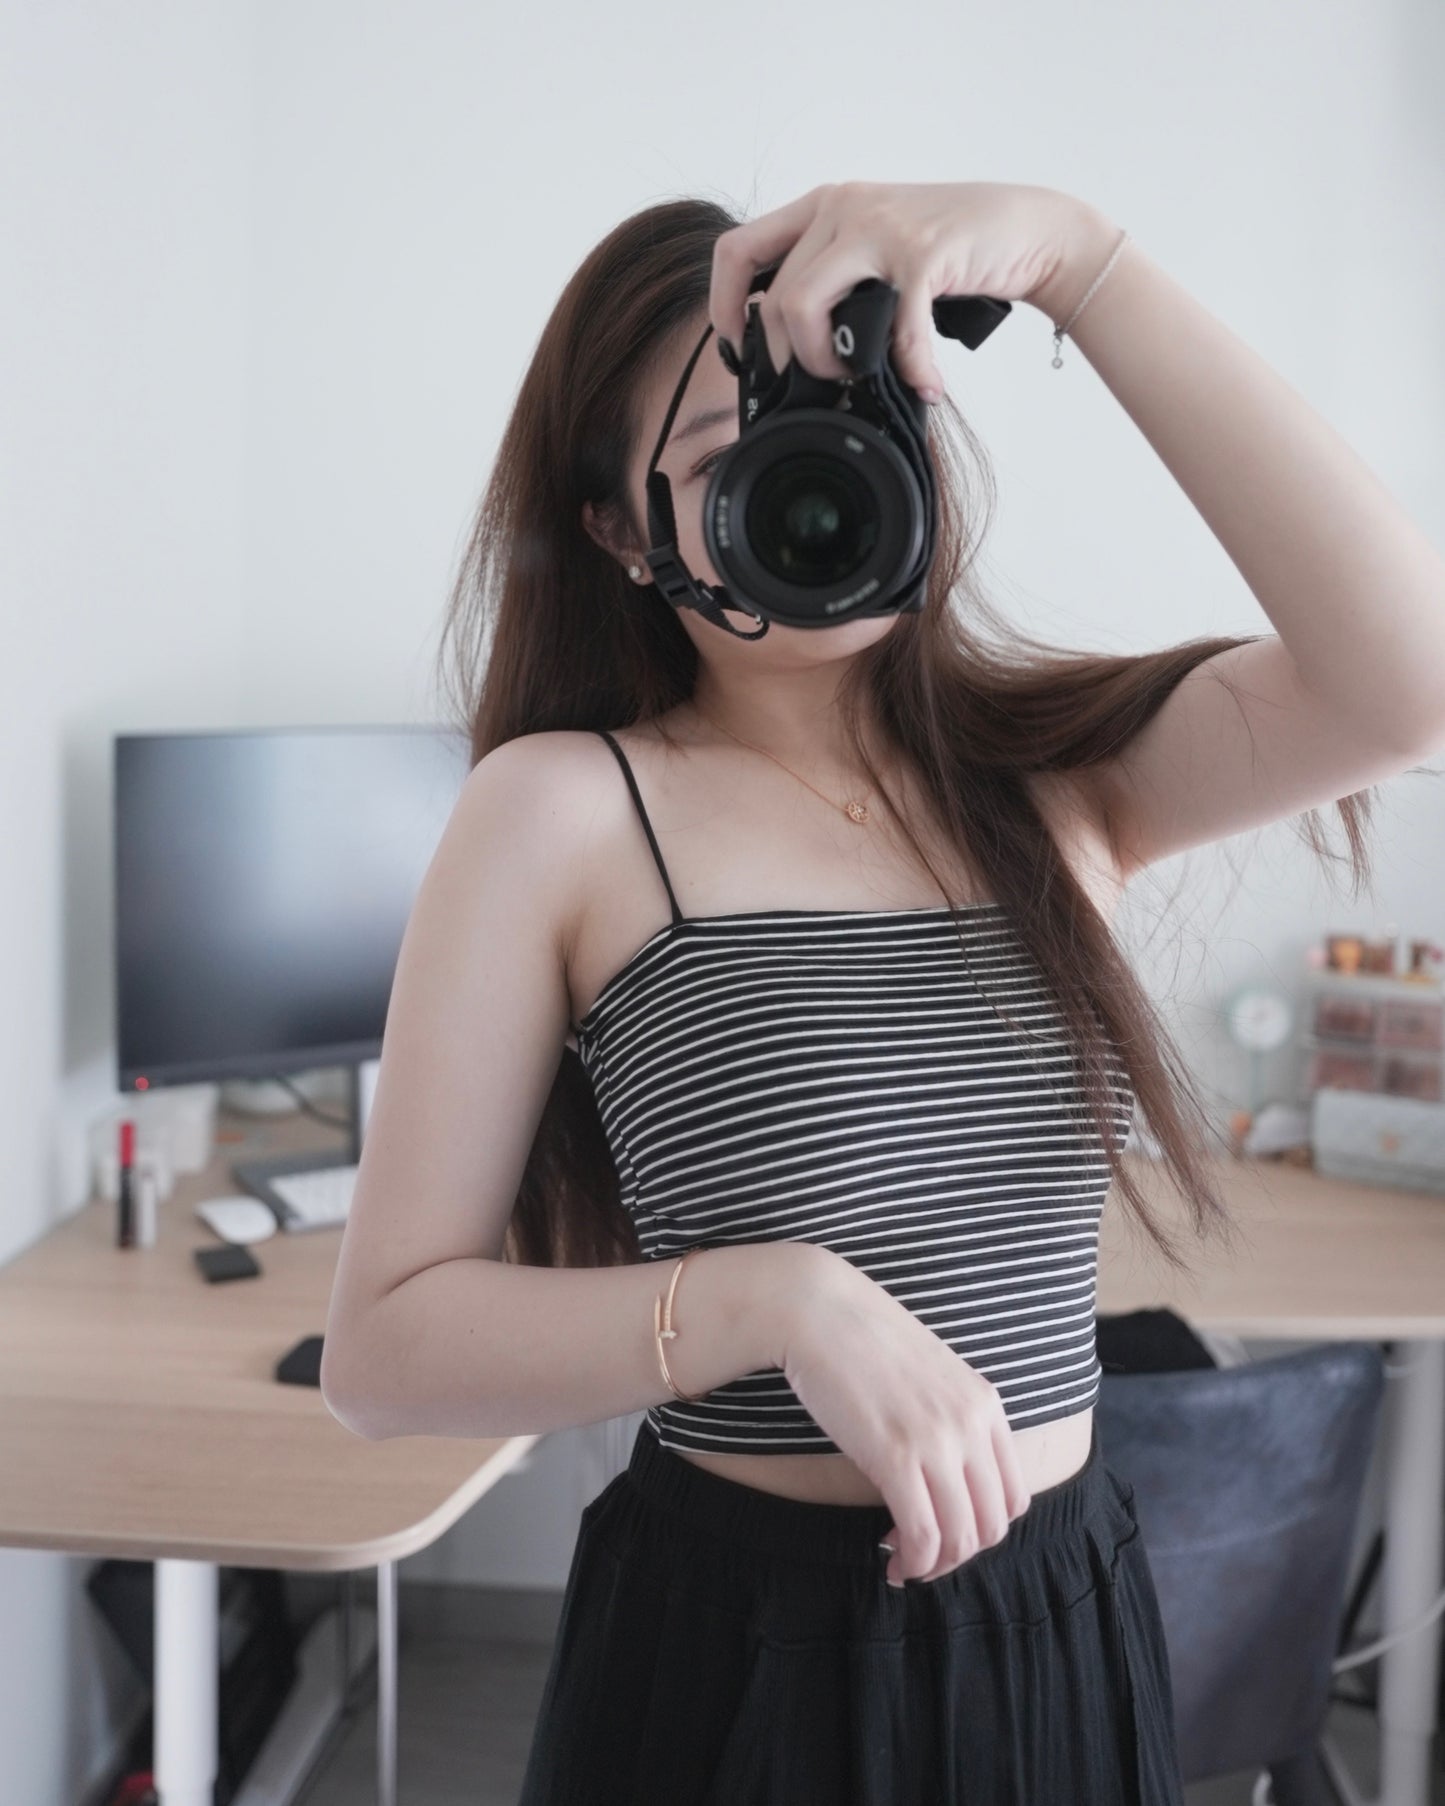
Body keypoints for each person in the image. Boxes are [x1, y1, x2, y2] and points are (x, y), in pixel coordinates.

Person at [320, 180, 1445, 1804]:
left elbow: (1405, 679)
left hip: (1057, 1612)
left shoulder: (1053, 788)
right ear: (623, 533)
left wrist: (1074, 259)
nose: (822, 482)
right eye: (729, 460)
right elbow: (384, 1349)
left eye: (862, 424)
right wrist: (777, 1299)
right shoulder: (565, 810)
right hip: (741, 1649)